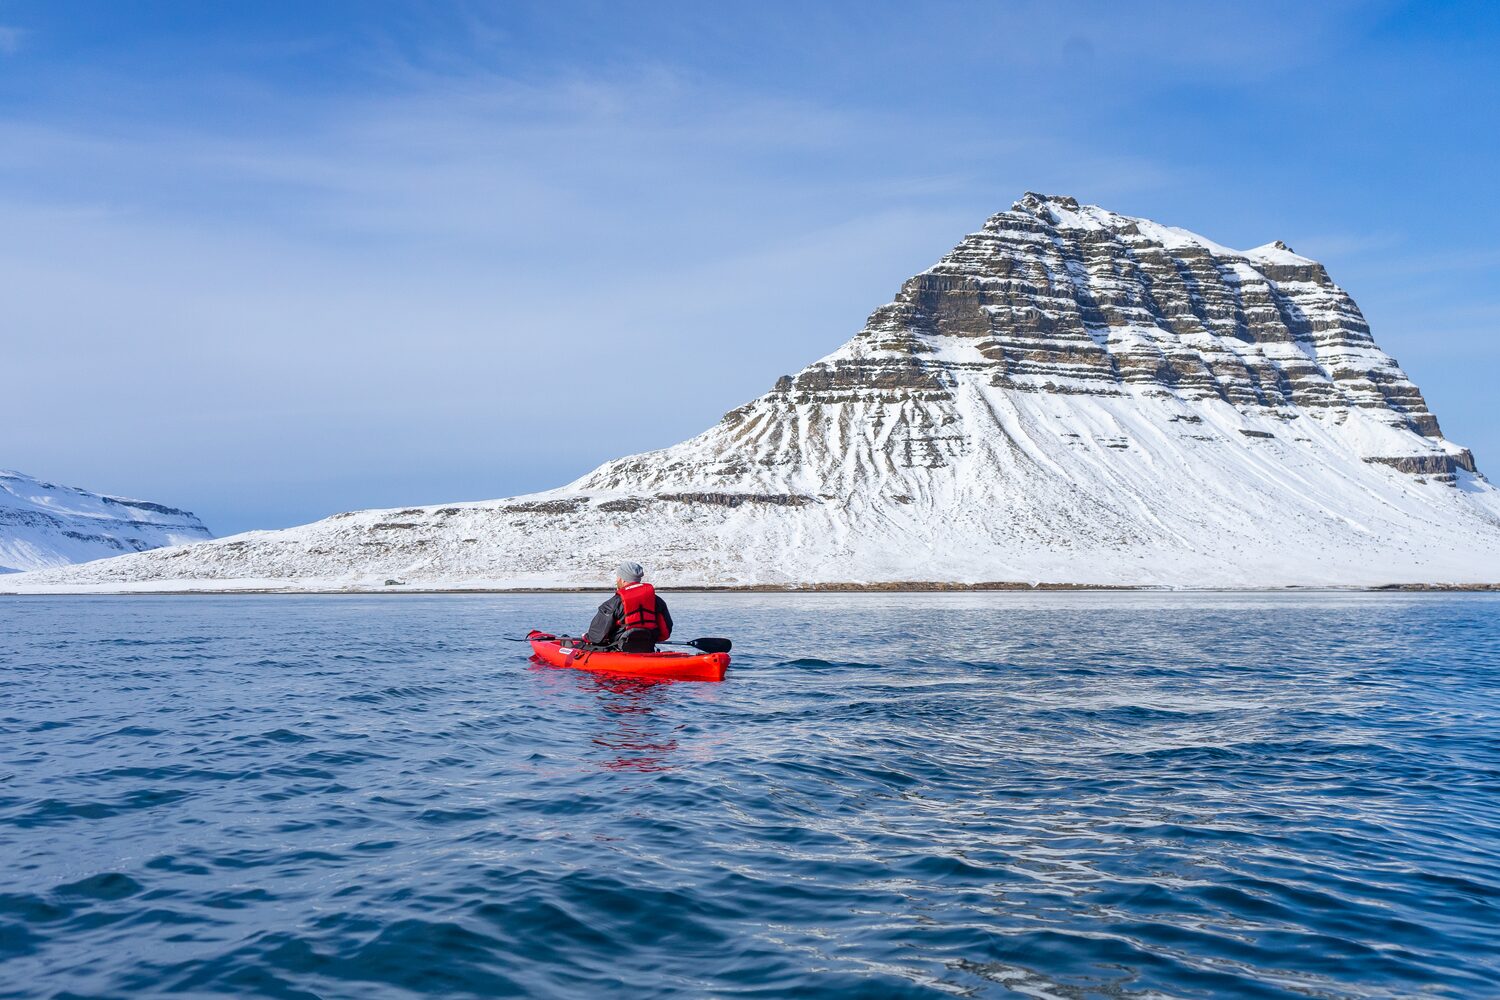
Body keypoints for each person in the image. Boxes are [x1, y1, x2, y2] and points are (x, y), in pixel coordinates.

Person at [583, 561, 673, 652]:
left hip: (619, 649)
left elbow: (595, 636)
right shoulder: (657, 601)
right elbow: (665, 632)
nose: (617, 580)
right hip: (647, 646)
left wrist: (586, 637)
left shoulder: (614, 603)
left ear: (623, 579)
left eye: (618, 578)